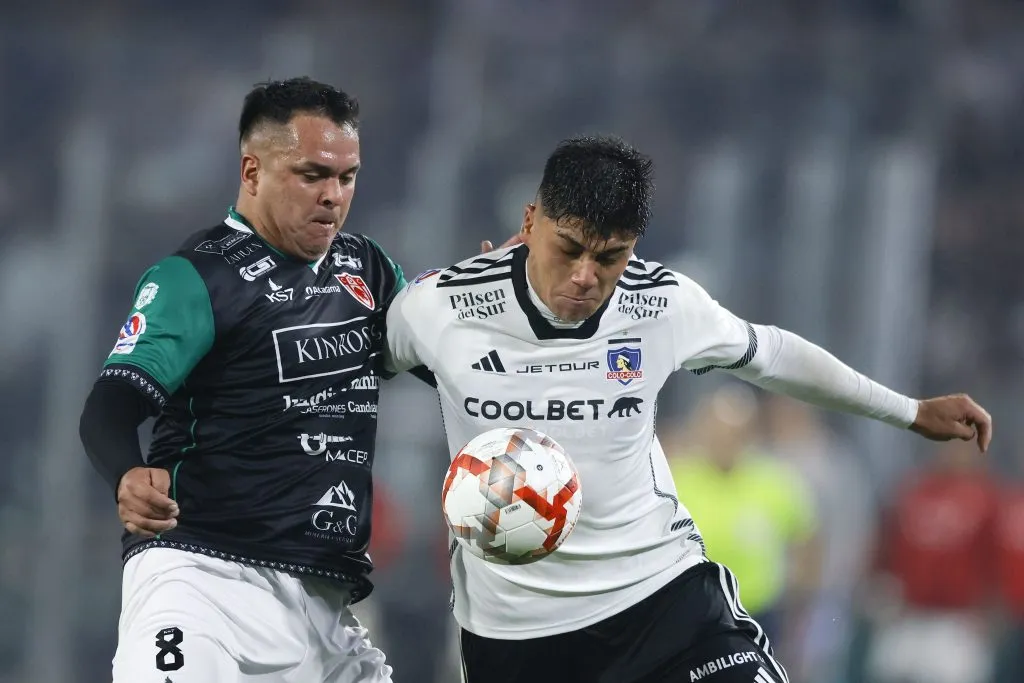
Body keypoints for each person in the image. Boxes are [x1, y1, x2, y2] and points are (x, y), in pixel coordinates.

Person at [384, 135, 993, 683]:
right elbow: (342, 359)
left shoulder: (662, 305)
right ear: (530, 220)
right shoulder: (442, 306)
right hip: (515, 637)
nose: (586, 277)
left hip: (661, 602)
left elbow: (774, 353)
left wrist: (909, 411)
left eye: (612, 256)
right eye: (568, 249)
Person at [79, 77, 406, 683]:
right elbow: (111, 403)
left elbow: (437, 352)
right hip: (205, 584)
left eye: (347, 177)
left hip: (327, 607)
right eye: (312, 174)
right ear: (253, 171)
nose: (333, 196)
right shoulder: (197, 277)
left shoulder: (369, 269)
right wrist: (126, 471)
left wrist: (483, 300)